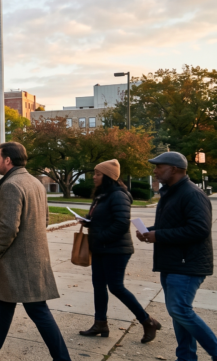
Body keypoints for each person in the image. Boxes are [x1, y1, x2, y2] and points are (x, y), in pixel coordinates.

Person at [0, 142, 70, 361]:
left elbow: (9, 226)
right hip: (31, 257)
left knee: (37, 309)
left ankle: (63, 358)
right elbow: (46, 220)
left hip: (18, 260)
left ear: (8, 160)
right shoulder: (35, 182)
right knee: (5, 301)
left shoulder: (12, 184)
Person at [137, 152, 215, 361]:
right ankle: (186, 357)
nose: (155, 170)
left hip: (188, 263)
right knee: (178, 313)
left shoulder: (192, 194)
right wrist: (150, 232)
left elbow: (199, 229)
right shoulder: (171, 193)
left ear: (175, 169)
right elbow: (173, 225)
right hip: (173, 263)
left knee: (180, 310)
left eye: (159, 166)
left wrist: (159, 235)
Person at [78, 159, 160, 342]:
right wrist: (86, 220)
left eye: (98, 174)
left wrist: (100, 236)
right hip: (101, 248)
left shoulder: (118, 195)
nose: (94, 177)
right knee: (98, 286)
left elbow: (121, 224)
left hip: (116, 250)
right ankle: (100, 323)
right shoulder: (102, 195)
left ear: (108, 177)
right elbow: (100, 217)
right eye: (95, 173)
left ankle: (147, 321)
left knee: (116, 287)